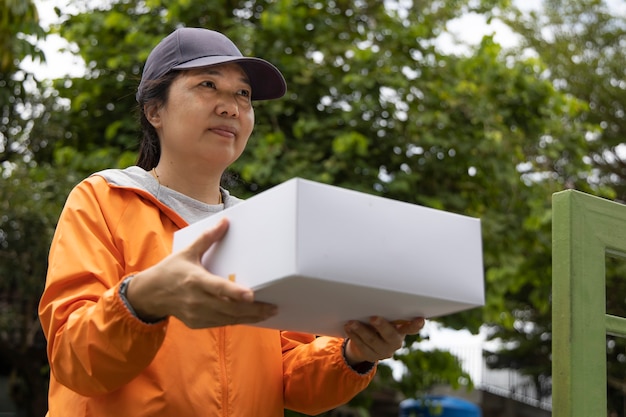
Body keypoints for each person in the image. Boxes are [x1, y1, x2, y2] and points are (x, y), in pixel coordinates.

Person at [38, 27, 425, 416]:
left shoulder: (262, 226)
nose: (231, 107)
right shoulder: (103, 199)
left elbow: (291, 378)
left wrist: (353, 352)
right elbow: (75, 358)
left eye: (243, 94)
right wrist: (141, 300)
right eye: (208, 85)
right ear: (155, 111)